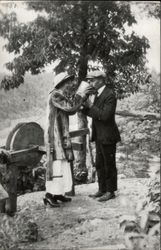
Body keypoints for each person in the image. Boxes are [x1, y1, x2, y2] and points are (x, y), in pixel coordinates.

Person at [44, 72, 93, 207]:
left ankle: (58, 193)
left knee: (62, 162)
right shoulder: (55, 94)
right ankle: (49, 195)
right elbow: (71, 107)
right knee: (57, 164)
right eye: (68, 82)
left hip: (60, 134)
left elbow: (71, 110)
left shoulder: (59, 94)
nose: (71, 84)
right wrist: (81, 95)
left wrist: (80, 97)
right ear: (62, 84)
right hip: (55, 136)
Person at [81, 70, 121, 202]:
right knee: (99, 163)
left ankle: (110, 191)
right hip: (99, 135)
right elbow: (93, 112)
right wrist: (83, 106)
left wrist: (90, 106)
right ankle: (102, 189)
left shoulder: (110, 95)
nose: (90, 82)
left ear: (101, 80)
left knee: (109, 164)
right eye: (89, 80)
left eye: (92, 80)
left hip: (108, 135)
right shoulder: (96, 94)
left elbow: (105, 116)